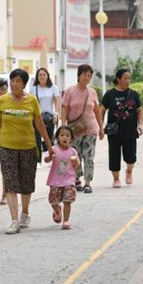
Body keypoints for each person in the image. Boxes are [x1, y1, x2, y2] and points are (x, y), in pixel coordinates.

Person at [0, 68, 52, 234]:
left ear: (24, 84)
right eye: (12, 81)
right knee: (10, 184)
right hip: (6, 147)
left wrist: (50, 147)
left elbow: (39, 125)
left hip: (28, 147)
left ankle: (25, 213)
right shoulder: (2, 101)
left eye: (18, 81)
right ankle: (14, 220)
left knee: (26, 184)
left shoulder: (31, 101)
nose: (14, 84)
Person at [61, 64, 103, 193]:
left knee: (89, 156)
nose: (87, 78)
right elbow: (64, 108)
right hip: (74, 130)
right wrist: (63, 126)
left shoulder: (92, 92)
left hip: (90, 129)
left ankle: (88, 182)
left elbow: (97, 111)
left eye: (89, 76)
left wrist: (101, 127)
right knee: (75, 155)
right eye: (84, 75)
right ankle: (76, 179)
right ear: (78, 76)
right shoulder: (69, 91)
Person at [100, 68, 143, 187]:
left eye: (129, 78)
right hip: (114, 132)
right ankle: (116, 179)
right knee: (114, 156)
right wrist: (100, 126)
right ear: (118, 79)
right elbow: (102, 110)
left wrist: (140, 125)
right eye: (125, 78)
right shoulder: (110, 94)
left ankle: (129, 171)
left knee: (131, 157)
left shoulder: (133, 94)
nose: (128, 80)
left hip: (130, 131)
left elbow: (139, 111)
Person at [45, 125, 80, 230]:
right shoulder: (53, 149)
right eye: (62, 135)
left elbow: (77, 165)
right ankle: (57, 210)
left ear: (71, 138)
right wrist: (50, 157)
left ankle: (65, 221)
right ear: (57, 137)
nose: (65, 137)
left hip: (69, 180)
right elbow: (46, 160)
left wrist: (75, 161)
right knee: (53, 201)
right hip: (55, 181)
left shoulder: (73, 151)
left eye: (67, 136)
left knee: (67, 200)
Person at [31, 68, 61, 162]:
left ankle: (50, 157)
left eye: (44, 74)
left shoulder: (53, 88)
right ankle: (37, 160)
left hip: (50, 117)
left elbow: (57, 101)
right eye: (40, 75)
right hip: (37, 117)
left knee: (49, 138)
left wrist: (56, 113)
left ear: (47, 76)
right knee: (37, 139)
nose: (42, 77)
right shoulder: (33, 89)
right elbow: (31, 103)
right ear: (37, 77)